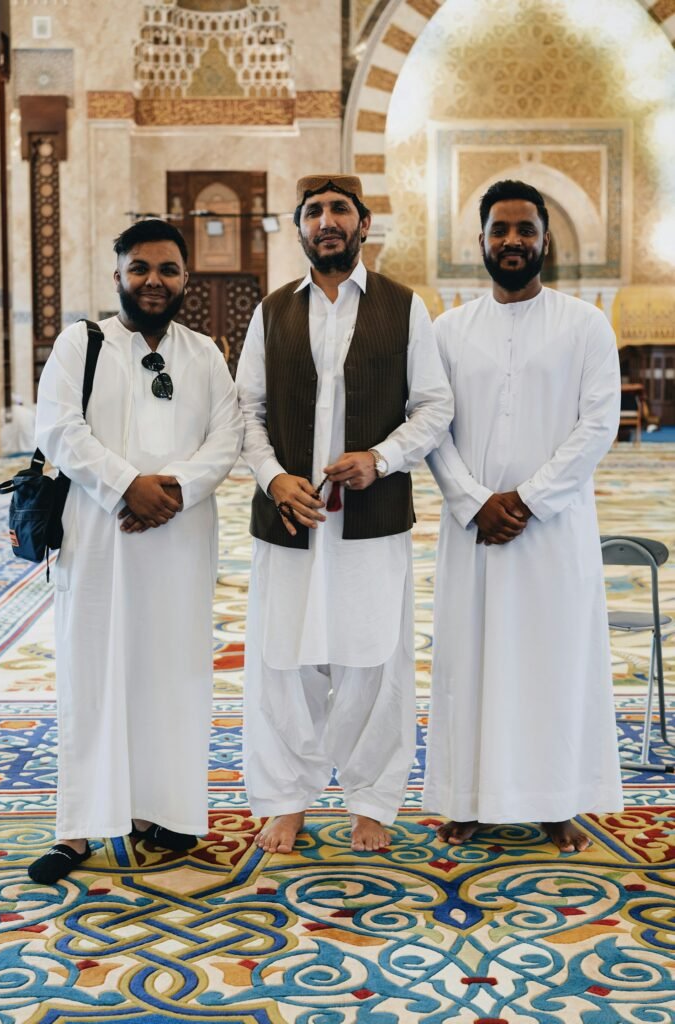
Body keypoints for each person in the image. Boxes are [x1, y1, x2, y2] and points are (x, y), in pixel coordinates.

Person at [236, 174, 452, 854]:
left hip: (371, 516)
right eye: (313, 212)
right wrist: (274, 479)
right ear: (299, 227)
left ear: (363, 224)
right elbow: (246, 411)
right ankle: (286, 801)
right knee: (282, 659)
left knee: (374, 660)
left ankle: (371, 801)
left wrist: (380, 459)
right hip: (288, 518)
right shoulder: (271, 311)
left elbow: (435, 406)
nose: (326, 221)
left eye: (339, 210)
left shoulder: (403, 307)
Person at [29, 219, 243, 884]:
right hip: (100, 537)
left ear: (186, 278)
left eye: (168, 269)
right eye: (141, 268)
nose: (154, 281)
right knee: (94, 674)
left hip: (180, 536)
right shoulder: (81, 342)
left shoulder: (204, 353)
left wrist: (172, 489)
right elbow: (59, 428)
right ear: (118, 274)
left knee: (172, 673)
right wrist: (129, 485)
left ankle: (160, 811)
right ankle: (76, 828)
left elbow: (228, 436)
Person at [424, 179, 623, 853]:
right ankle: (468, 799)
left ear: (545, 239)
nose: (512, 240)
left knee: (551, 663)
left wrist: (528, 499)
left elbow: (597, 425)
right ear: (479, 241)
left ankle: (556, 803)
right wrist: (473, 500)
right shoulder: (448, 331)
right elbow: (433, 427)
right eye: (500, 230)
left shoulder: (584, 325)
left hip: (552, 531)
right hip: (473, 531)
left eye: (525, 229)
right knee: (471, 663)